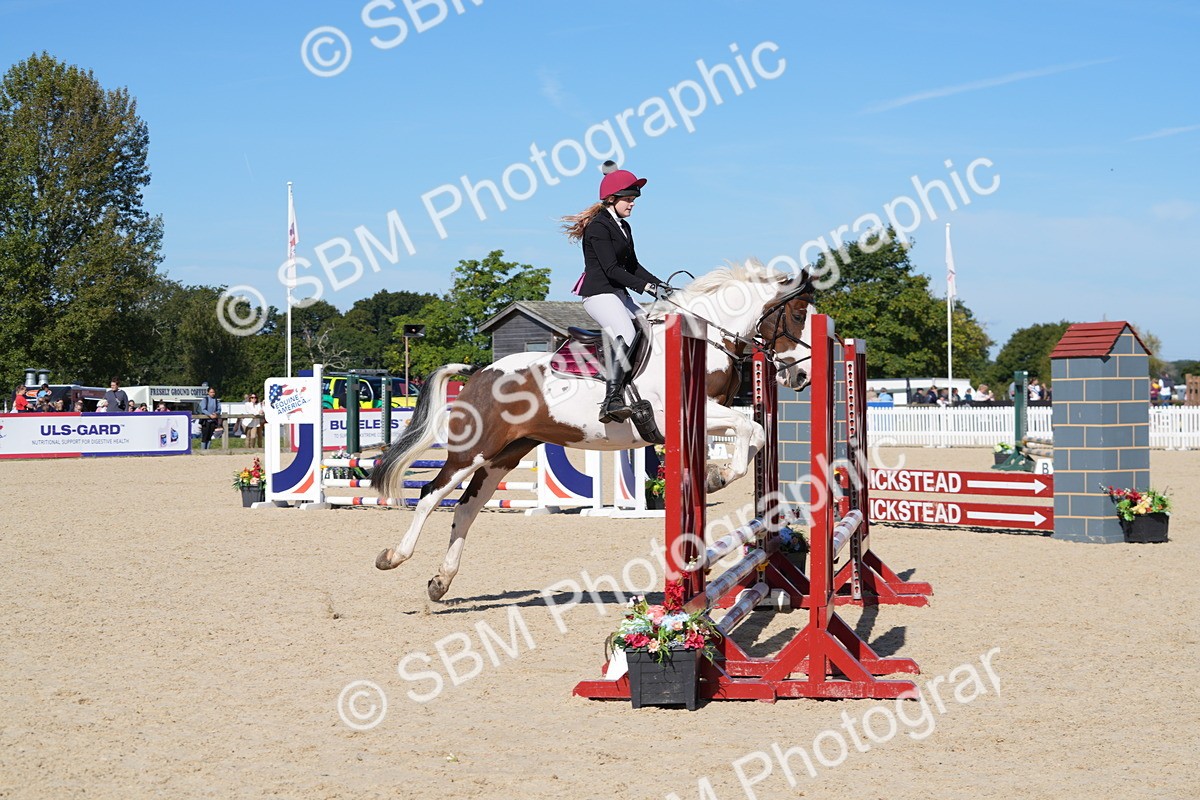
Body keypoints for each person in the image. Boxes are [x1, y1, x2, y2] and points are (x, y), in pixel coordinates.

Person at [561, 160, 668, 423]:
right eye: (628, 199)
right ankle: (611, 400)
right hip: (599, 294)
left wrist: (661, 285)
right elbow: (611, 269)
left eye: (633, 200)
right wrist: (646, 287)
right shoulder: (598, 226)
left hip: (617, 294)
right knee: (627, 333)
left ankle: (638, 383)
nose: (632, 204)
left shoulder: (623, 226)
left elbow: (633, 266)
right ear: (612, 199)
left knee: (651, 326)